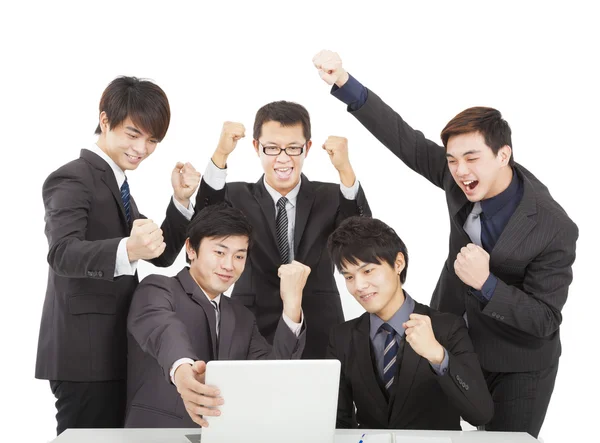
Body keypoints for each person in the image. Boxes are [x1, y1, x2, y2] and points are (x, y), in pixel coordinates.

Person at [313, 50, 579, 437]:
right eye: (452, 160)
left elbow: (544, 319)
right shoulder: (457, 176)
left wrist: (487, 284)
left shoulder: (554, 227)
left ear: (503, 155)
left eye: (471, 158)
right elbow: (406, 141)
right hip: (449, 335)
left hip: (517, 361)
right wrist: (344, 83)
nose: (460, 171)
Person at [35, 76, 200, 435]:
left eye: (152, 140)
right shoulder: (72, 178)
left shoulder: (116, 183)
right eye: (133, 134)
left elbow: (160, 253)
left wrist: (181, 202)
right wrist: (126, 249)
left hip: (114, 352)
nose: (142, 148)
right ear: (105, 120)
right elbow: (61, 253)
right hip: (84, 357)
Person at [194, 101, 371, 358]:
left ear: (307, 148)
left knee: (325, 397)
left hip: (320, 325)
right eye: (272, 148)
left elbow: (363, 238)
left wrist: (345, 170)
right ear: (256, 147)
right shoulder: (236, 195)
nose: (283, 158)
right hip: (253, 324)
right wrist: (220, 155)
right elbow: (202, 223)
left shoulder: (332, 196)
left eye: (293, 148)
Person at [125, 204, 308, 427]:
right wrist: (183, 371)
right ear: (191, 249)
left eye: (239, 256)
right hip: (159, 434)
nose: (229, 265)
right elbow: (165, 331)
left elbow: (274, 375)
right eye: (219, 252)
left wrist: (292, 304)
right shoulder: (158, 289)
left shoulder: (242, 316)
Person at [326, 216, 493, 430]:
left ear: (398, 263)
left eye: (367, 271)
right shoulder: (341, 337)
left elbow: (481, 413)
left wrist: (438, 356)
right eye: (349, 277)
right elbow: (337, 423)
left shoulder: (447, 327)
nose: (359, 286)